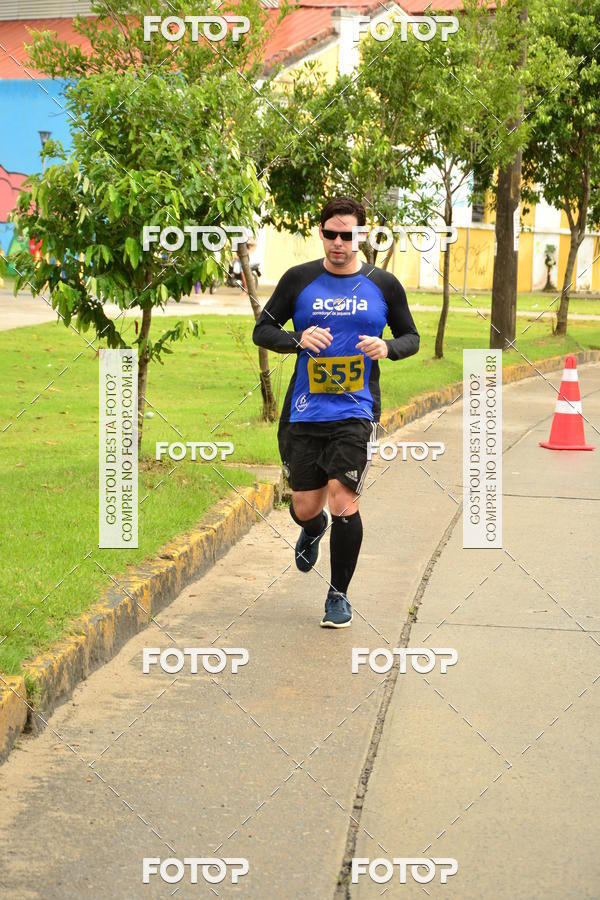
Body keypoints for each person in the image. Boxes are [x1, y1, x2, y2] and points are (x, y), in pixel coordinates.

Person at [252, 196, 420, 627]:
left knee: (344, 500)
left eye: (348, 235)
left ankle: (338, 595)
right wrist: (297, 339)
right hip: (305, 412)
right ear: (321, 232)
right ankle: (311, 529)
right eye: (331, 234)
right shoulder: (299, 279)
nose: (339, 243)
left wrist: (387, 347)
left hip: (355, 410)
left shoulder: (383, 285)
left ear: (362, 236)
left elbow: (410, 336)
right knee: (307, 505)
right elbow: (263, 328)